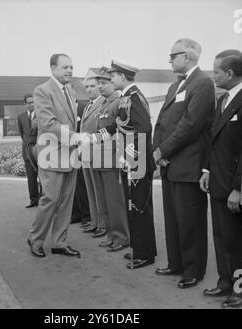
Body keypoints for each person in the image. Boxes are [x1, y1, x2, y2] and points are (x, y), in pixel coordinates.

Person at [153, 38, 215, 288]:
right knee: (173, 218)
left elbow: (190, 125)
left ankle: (193, 270)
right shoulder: (176, 86)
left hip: (188, 163)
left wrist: (162, 150)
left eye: (172, 56)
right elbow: (162, 122)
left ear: (187, 57)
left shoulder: (202, 83)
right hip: (171, 162)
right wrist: (159, 150)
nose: (169, 60)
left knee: (190, 220)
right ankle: (176, 262)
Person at [93, 60, 157, 269]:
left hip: (136, 161)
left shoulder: (134, 97)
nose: (111, 79)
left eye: (113, 76)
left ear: (122, 76)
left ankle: (145, 254)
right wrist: (94, 138)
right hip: (130, 161)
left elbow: (143, 128)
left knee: (139, 207)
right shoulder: (126, 98)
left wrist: (129, 154)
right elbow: (116, 125)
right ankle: (139, 248)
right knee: (133, 206)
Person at [27, 53, 90, 258]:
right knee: (51, 199)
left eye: (71, 67)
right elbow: (48, 123)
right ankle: (35, 239)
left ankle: (59, 242)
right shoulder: (43, 91)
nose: (70, 71)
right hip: (52, 152)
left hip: (69, 153)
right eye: (65, 67)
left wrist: (76, 140)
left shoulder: (70, 91)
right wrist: (76, 137)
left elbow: (72, 120)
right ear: (53, 68)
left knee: (65, 201)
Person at [200, 50, 242, 308]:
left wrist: (238, 188)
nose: (212, 75)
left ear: (229, 73)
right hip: (218, 182)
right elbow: (213, 140)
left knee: (237, 240)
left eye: (215, 71)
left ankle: (239, 291)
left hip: (234, 187)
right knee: (222, 236)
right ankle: (226, 281)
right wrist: (206, 171)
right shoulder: (223, 100)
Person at [93, 67, 130, 251]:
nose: (100, 86)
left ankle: (121, 236)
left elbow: (118, 130)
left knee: (115, 200)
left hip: (112, 157)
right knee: (105, 199)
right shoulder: (104, 103)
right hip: (100, 157)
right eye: (98, 83)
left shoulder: (119, 102)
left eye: (104, 82)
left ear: (113, 83)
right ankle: (111, 234)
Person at [80, 76, 106, 235]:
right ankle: (95, 221)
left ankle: (103, 224)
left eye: (92, 86)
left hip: (97, 151)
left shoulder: (103, 103)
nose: (89, 89)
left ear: (99, 87)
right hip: (85, 152)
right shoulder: (87, 106)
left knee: (99, 190)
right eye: (87, 86)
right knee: (90, 189)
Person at [18, 93, 39, 208]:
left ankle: (43, 199)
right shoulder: (20, 116)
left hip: (40, 150)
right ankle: (33, 200)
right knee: (31, 178)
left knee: (43, 176)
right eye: (29, 102)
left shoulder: (41, 115)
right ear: (25, 104)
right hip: (27, 151)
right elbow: (22, 134)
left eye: (33, 102)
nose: (31, 104)